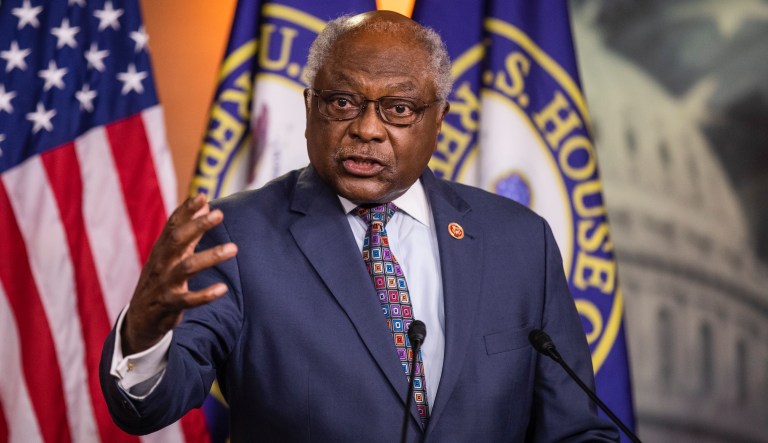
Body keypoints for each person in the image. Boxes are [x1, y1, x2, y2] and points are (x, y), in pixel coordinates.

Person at [100, 10, 619, 442]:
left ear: (437, 121)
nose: (367, 129)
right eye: (343, 102)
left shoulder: (519, 241)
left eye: (398, 108)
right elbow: (149, 407)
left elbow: (575, 430)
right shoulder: (238, 235)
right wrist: (143, 332)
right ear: (309, 109)